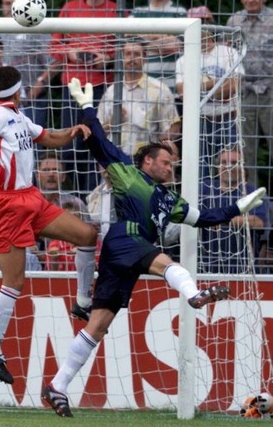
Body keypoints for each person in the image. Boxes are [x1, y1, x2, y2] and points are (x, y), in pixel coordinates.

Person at [40, 78, 267, 418]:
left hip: (124, 256)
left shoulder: (171, 200)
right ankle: (194, 295)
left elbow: (205, 216)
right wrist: (87, 107)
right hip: (125, 238)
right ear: (147, 161)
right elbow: (99, 139)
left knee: (99, 325)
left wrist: (238, 208)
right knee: (168, 265)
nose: (169, 167)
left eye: (172, 164)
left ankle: (57, 386)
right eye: (165, 162)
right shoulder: (128, 174)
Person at [0, 66, 97, 384]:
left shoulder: (18, 116)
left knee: (87, 235)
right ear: (18, 90)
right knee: (14, 281)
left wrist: (73, 130)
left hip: (31, 198)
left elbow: (48, 138)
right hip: (5, 204)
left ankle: (84, 301)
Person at [50, 0, 119, 191]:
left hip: (103, 86)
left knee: (98, 142)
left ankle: (96, 194)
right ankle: (79, 195)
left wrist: (108, 59)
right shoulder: (69, 9)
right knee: (71, 146)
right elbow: (53, 46)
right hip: (73, 87)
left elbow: (126, 45)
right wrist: (70, 53)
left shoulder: (116, 10)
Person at [175, 27, 244, 180]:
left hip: (228, 119)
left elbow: (233, 87)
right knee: (199, 171)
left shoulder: (229, 53)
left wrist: (198, 88)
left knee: (231, 168)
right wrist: (218, 83)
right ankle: (200, 203)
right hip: (199, 122)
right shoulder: (183, 60)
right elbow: (183, 94)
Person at [35, 151, 95, 320]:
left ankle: (82, 298)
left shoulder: (76, 204)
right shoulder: (30, 203)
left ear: (63, 177)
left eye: (56, 169)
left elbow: (87, 237)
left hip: (65, 258)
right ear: (38, 175)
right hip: (35, 259)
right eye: (46, 170)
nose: (52, 174)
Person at [97, 39, 181, 156]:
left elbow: (174, 129)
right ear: (122, 58)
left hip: (147, 161)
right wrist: (113, 121)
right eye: (128, 54)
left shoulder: (159, 89)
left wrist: (152, 151)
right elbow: (97, 132)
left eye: (136, 54)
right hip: (115, 159)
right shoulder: (111, 92)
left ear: (144, 58)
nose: (132, 58)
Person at [227, 0, 273, 188]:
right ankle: (251, 203)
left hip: (271, 92)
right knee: (246, 153)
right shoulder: (233, 22)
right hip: (244, 93)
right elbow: (228, 55)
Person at [199, 148, 267, 273]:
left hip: (242, 266)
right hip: (203, 263)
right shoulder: (203, 189)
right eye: (224, 162)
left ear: (243, 167)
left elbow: (259, 222)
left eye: (234, 162)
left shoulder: (252, 192)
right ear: (217, 166)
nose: (229, 166)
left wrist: (222, 220)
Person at [0, 0, 55, 126]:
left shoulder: (35, 30)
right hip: (1, 100)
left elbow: (54, 61)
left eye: (14, 3)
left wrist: (40, 83)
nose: (10, 7)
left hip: (31, 99)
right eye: (6, 3)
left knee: (31, 143)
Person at [129, 0, 187, 92]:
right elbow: (127, 36)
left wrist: (143, 40)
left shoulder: (180, 12)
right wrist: (162, 35)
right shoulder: (138, 12)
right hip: (144, 87)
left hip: (172, 87)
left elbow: (174, 46)